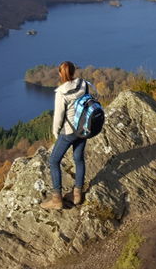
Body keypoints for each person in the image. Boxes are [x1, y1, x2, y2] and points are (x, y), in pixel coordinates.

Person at [40, 61, 94, 210]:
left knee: (53, 161)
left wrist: (55, 132)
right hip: (83, 129)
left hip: (69, 132)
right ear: (74, 71)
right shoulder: (83, 84)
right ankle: (77, 195)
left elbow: (58, 116)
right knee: (78, 159)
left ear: (60, 74)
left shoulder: (61, 93)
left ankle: (57, 199)